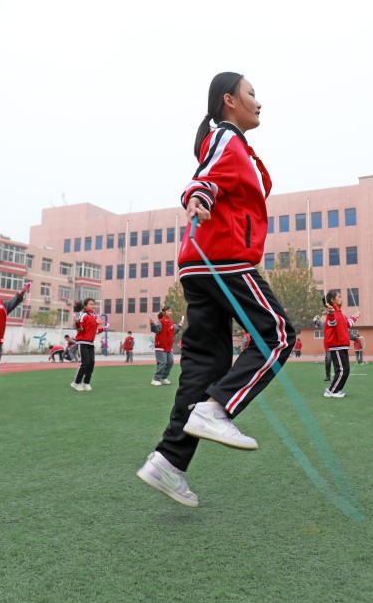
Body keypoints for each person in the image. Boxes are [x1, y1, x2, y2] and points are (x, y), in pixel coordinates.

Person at [137, 72, 297, 508]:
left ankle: (167, 462)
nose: (259, 101)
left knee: (204, 366)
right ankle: (218, 410)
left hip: (198, 264)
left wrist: (204, 195)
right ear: (229, 100)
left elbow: (214, 176)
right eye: (251, 93)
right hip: (222, 258)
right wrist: (198, 198)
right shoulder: (225, 137)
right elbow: (203, 177)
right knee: (278, 334)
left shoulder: (231, 141)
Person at [323, 291, 357, 398]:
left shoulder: (341, 314)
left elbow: (347, 324)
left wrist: (355, 317)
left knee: (345, 370)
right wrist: (331, 314)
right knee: (342, 370)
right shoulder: (331, 313)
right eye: (339, 297)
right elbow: (331, 323)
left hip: (342, 345)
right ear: (332, 300)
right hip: (336, 345)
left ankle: (336, 390)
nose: (341, 299)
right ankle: (331, 391)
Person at [71, 298, 104, 391]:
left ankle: (86, 383)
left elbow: (94, 331)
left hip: (90, 343)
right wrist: (77, 323)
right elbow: (80, 329)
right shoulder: (83, 315)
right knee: (84, 363)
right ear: (85, 306)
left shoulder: (94, 315)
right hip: (82, 342)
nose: (92, 306)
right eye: (90, 304)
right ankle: (76, 383)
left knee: (91, 363)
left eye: (93, 304)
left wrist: (102, 327)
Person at [150, 306, 184, 385]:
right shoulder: (160, 322)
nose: (170, 312)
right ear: (164, 313)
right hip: (160, 346)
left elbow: (174, 332)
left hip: (168, 347)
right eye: (168, 311)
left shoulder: (171, 322)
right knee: (163, 363)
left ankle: (163, 378)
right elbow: (156, 330)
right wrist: (152, 324)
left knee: (170, 362)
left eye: (170, 311)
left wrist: (180, 324)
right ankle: (155, 379)